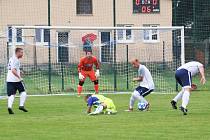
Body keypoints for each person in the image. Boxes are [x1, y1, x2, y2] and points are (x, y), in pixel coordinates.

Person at [6, 48, 28, 114]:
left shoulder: (11, 58)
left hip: (9, 80)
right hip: (16, 80)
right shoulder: (16, 60)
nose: (22, 54)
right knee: (23, 92)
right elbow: (13, 70)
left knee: (12, 95)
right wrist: (19, 77)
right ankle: (21, 106)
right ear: (17, 53)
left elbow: (13, 69)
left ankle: (9, 107)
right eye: (21, 52)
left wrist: (20, 72)